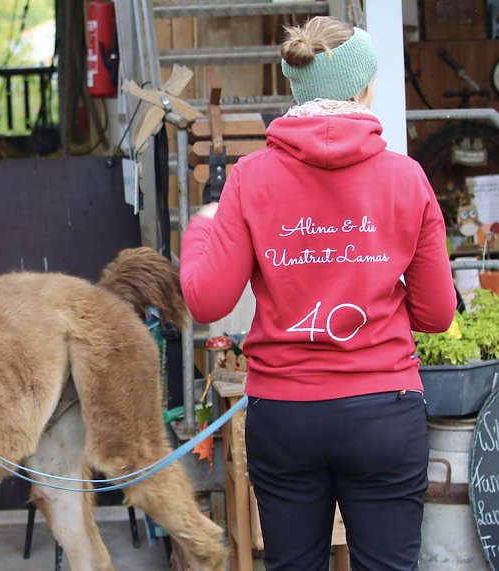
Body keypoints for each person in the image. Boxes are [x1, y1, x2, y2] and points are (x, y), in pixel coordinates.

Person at [179, 16, 457, 571]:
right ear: (363, 88)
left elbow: (206, 301)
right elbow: (435, 313)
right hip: (384, 413)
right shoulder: (407, 179)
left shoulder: (250, 179)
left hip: (286, 416)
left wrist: (202, 227)